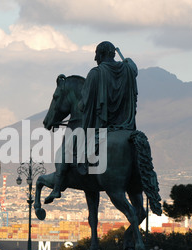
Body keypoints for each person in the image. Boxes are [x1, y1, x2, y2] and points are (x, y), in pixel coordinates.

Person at [45, 41, 138, 204]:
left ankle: (57, 187)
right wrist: (128, 61)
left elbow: (84, 103)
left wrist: (82, 106)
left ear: (101, 54)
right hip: (126, 125)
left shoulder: (95, 73)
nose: (95, 58)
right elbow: (134, 69)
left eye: (96, 54)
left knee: (68, 149)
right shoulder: (128, 69)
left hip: (102, 126)